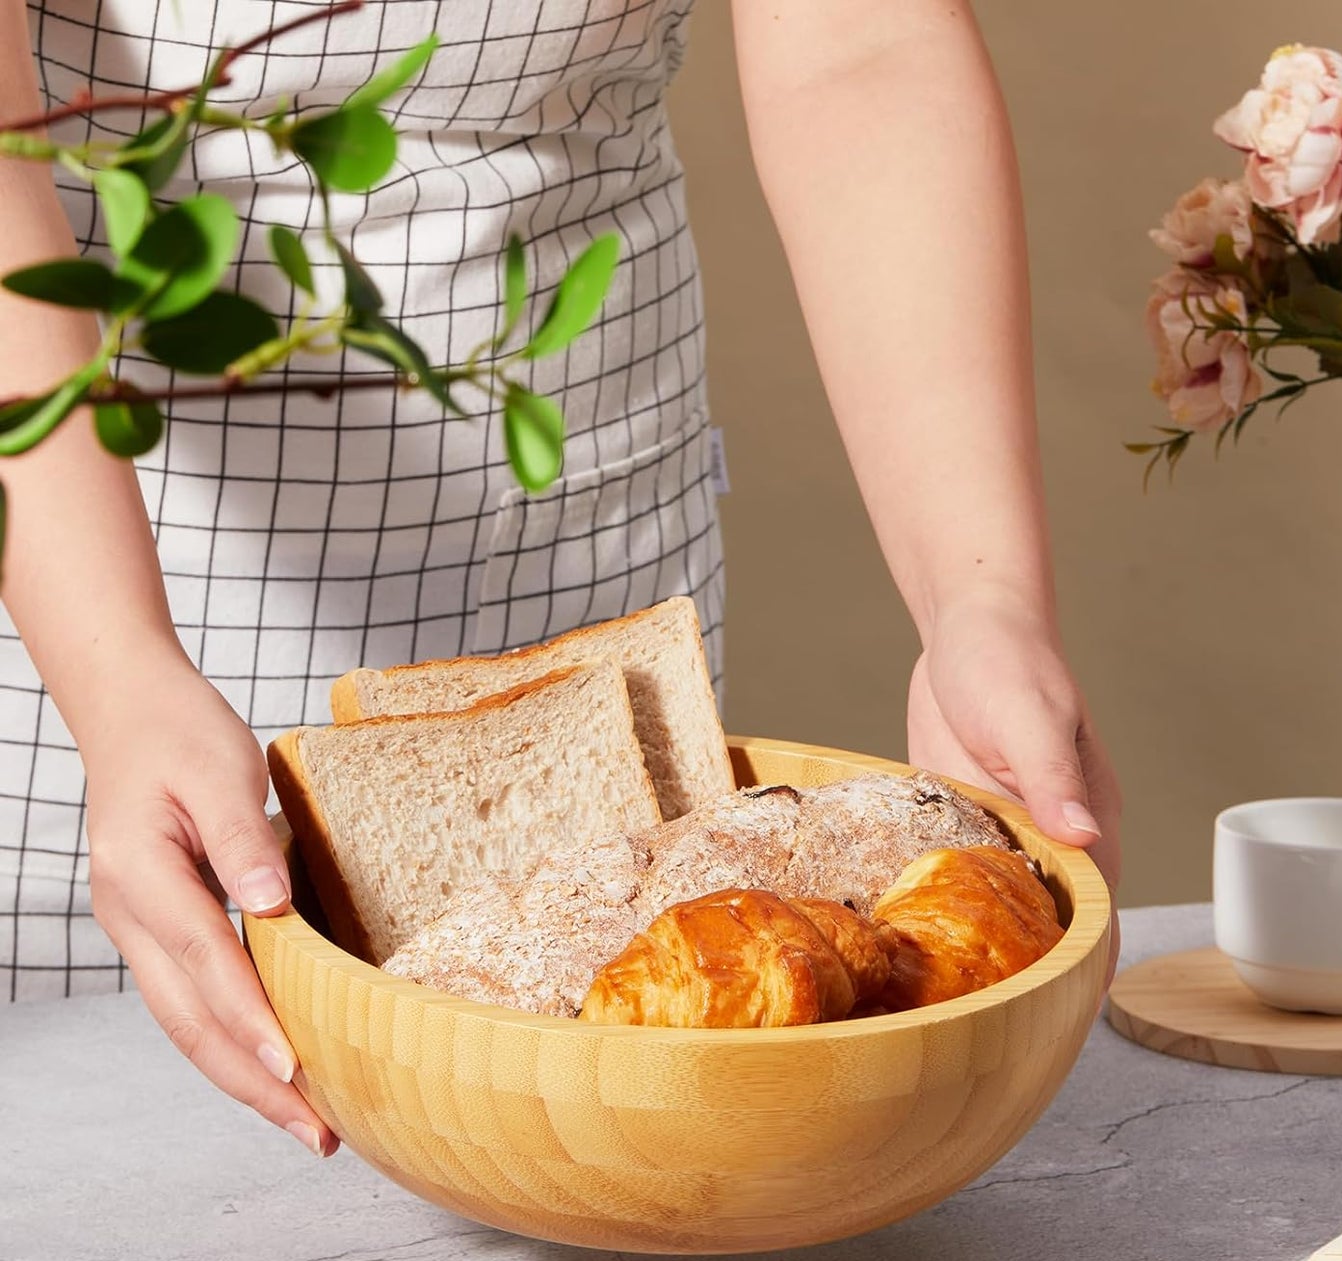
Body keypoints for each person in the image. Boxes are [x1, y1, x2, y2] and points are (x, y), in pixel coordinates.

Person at [0, 0, 1122, 1157]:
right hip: (95, 598)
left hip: (586, 567)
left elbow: (858, 48)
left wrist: (976, 598)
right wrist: (118, 672)